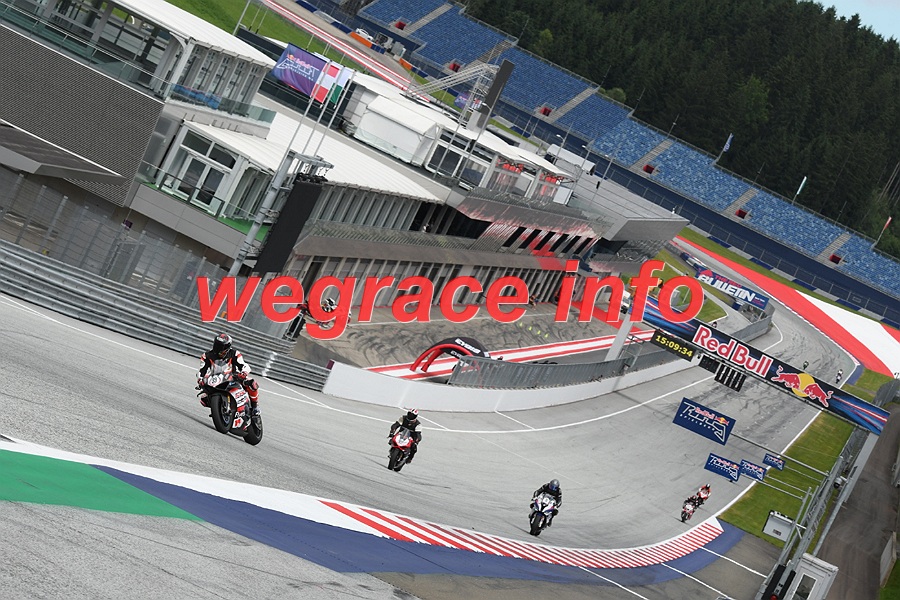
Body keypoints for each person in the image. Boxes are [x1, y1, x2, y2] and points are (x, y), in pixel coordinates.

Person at [197, 333, 260, 419]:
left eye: (221, 347)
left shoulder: (234, 354)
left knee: (251, 383)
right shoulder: (206, 356)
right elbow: (201, 371)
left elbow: (244, 365)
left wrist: (244, 373)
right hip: (215, 379)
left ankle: (255, 406)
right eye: (217, 346)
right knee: (204, 398)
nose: (219, 349)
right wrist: (200, 380)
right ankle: (218, 409)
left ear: (227, 347)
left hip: (232, 377)